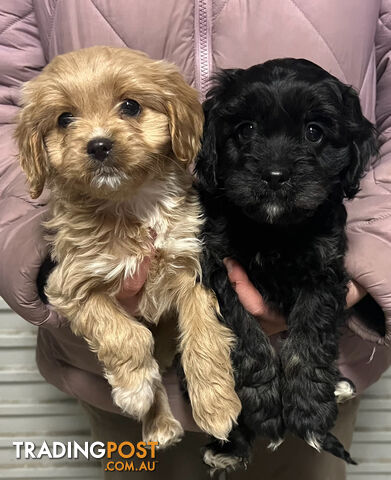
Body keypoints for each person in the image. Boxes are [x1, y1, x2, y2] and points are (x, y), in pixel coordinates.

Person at [0, 1, 390, 479]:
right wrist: (57, 264)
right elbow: (8, 107)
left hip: (320, 363)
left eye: (129, 107)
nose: (98, 135)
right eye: (67, 120)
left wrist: (372, 259)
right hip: (109, 377)